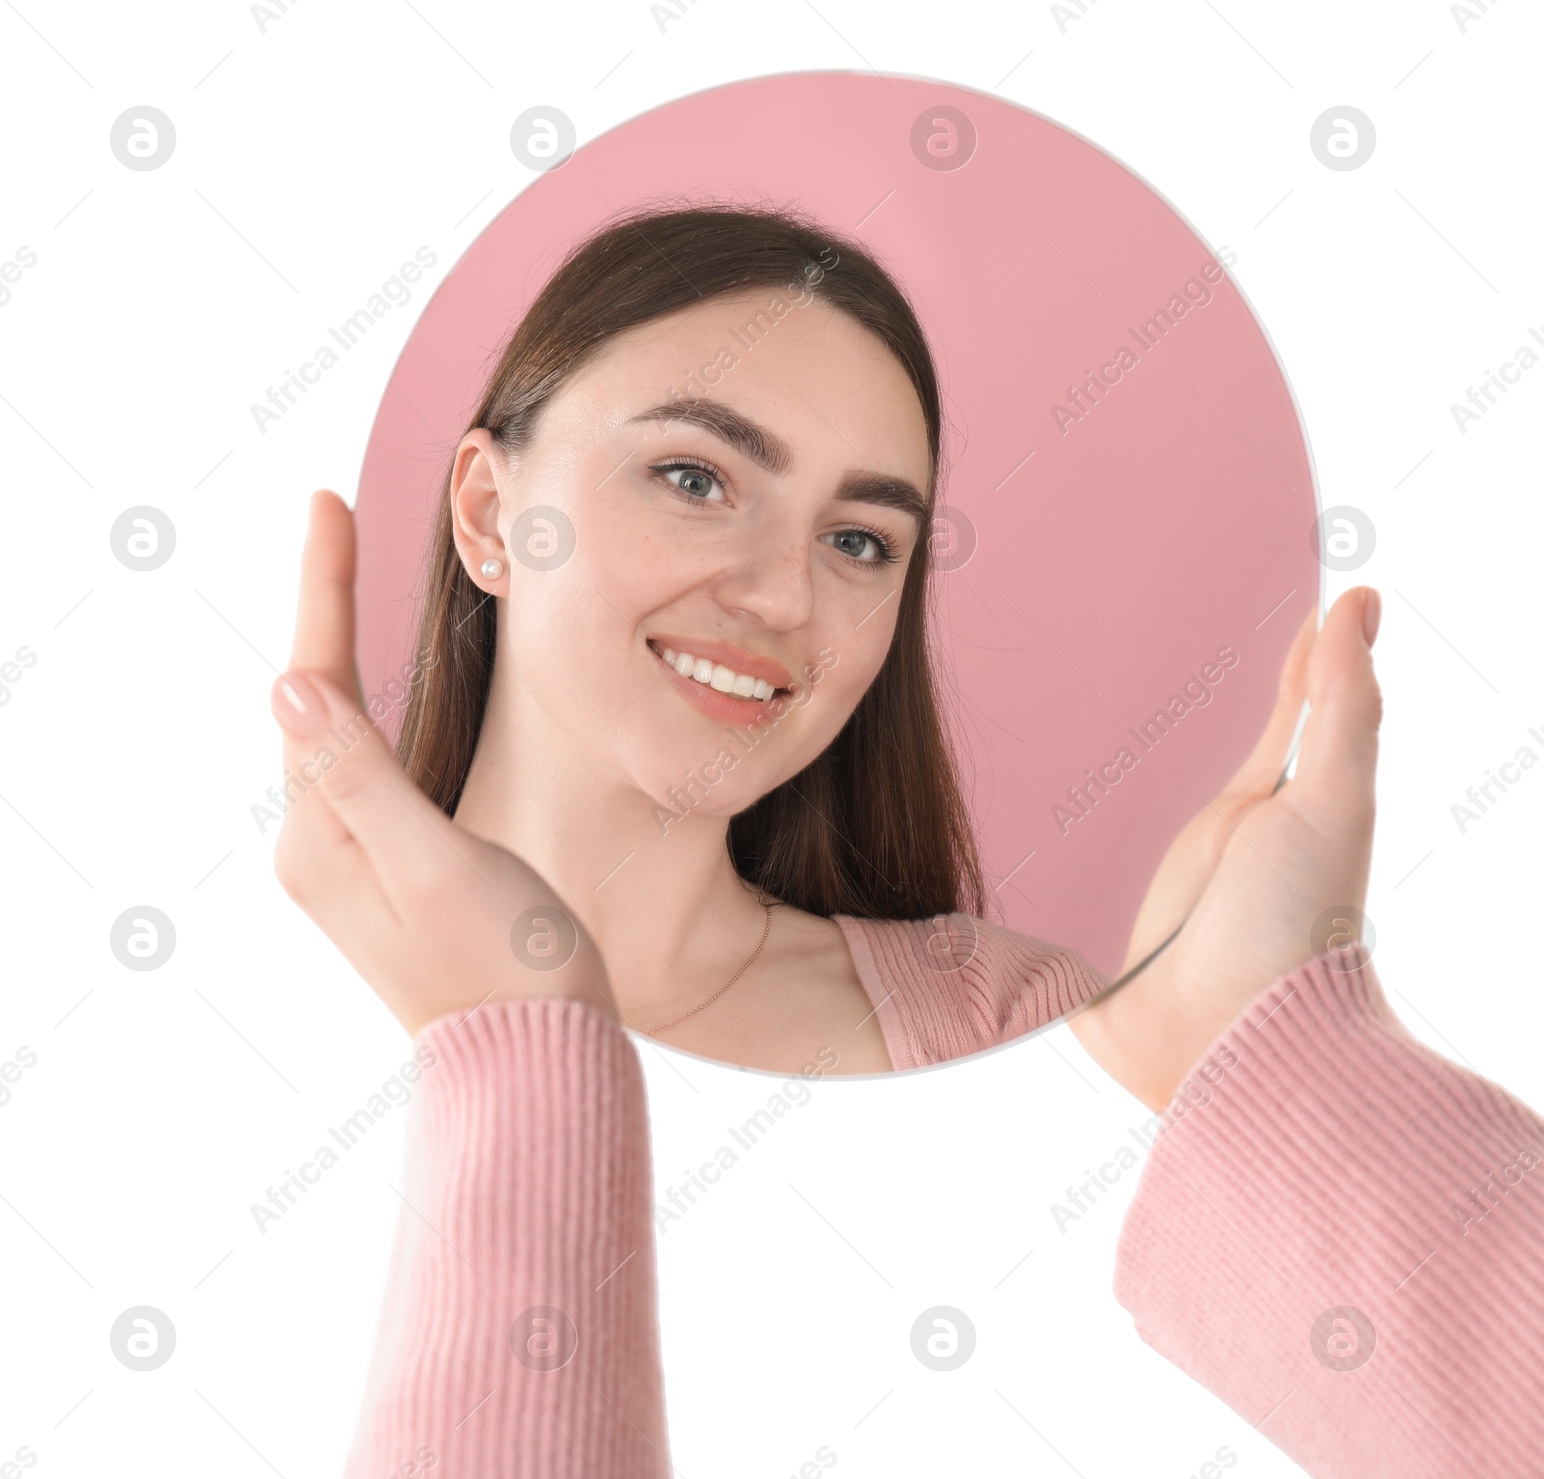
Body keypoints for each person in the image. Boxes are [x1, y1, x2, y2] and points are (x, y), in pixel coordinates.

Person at [266, 205, 1544, 1476]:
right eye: (696, 478)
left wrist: (1266, 1039)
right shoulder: (228, 1071)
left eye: (860, 541)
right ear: (492, 517)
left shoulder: (1017, 1016)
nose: (781, 595)